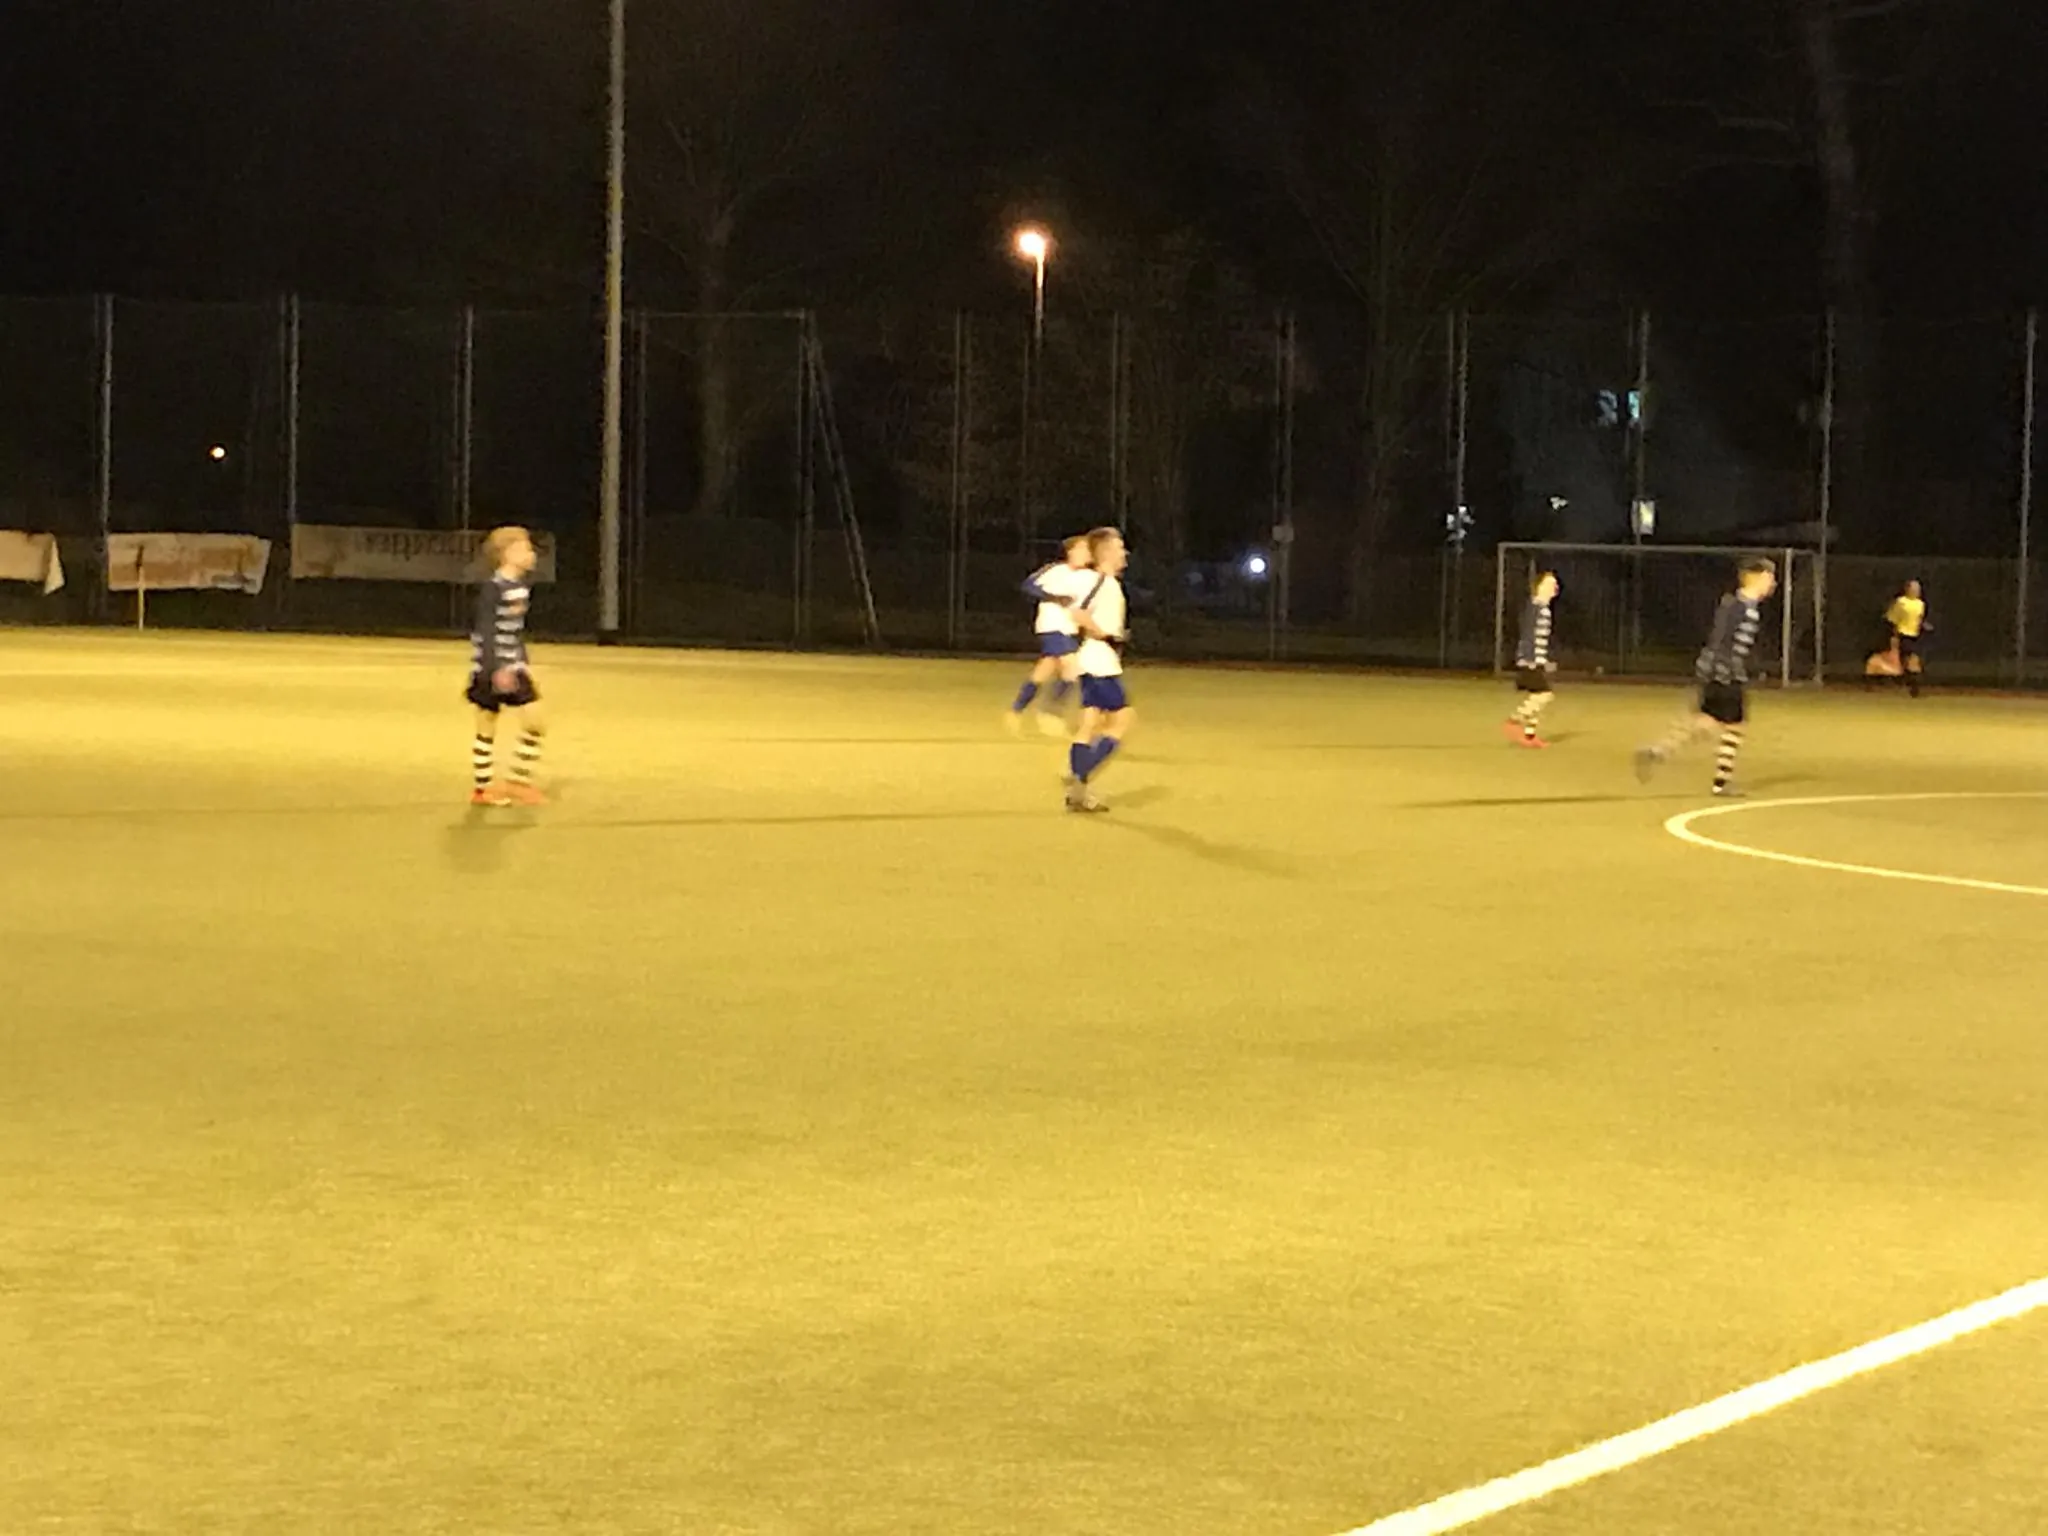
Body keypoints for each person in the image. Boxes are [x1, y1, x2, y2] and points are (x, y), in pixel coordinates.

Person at [1634, 557, 1778, 798]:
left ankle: (1658, 751)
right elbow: (1721, 641)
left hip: (1717, 672)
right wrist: (1723, 671)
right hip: (1725, 674)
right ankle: (1721, 782)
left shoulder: (1737, 605)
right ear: (1756, 578)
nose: (1772, 584)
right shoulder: (1740, 608)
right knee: (1735, 726)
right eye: (1769, 578)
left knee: (1707, 721)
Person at [466, 526, 547, 807]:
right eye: (525, 549)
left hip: (512, 666)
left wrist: (522, 662)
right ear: (507, 554)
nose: (531, 554)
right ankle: (484, 789)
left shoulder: (520, 587)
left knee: (535, 723)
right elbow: (485, 631)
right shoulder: (494, 588)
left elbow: (514, 631)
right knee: (488, 727)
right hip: (493, 668)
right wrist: (495, 669)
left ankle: (515, 783)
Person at [1064, 527, 1133, 813]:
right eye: (1119, 547)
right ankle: (1078, 783)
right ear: (1105, 553)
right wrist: (1105, 635)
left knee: (1089, 724)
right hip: (1099, 661)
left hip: (1096, 659)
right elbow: (1078, 613)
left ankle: (1078, 792)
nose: (1124, 552)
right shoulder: (1102, 581)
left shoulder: (1108, 583)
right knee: (1122, 720)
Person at [1007, 535, 1095, 737]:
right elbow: (1028, 586)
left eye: (1088, 550)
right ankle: (1050, 714)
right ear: (1070, 551)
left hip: (1069, 629)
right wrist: (1054, 598)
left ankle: (1015, 711)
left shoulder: (1089, 577)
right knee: (1072, 668)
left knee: (1044, 671)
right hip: (1051, 626)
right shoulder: (1054, 570)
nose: (1086, 553)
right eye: (1082, 548)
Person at [1504, 568, 1560, 747]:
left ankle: (1530, 736)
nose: (1554, 586)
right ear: (1539, 587)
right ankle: (1514, 720)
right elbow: (1528, 635)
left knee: (1537, 696)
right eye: (1549, 583)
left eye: (1555, 583)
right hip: (1530, 660)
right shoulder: (1536, 608)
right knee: (1545, 695)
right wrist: (1530, 659)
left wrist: (1545, 660)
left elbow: (1540, 639)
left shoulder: (1542, 608)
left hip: (1536, 659)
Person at [1884, 579, 1929, 697]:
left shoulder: (1921, 604)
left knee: (1913, 662)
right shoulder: (1901, 602)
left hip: (1916, 636)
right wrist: (1894, 636)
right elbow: (1893, 619)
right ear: (1907, 589)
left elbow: (1919, 619)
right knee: (1909, 661)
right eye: (1914, 588)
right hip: (1904, 634)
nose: (1917, 591)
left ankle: (1913, 685)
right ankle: (1912, 685)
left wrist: (1924, 625)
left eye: (1918, 589)